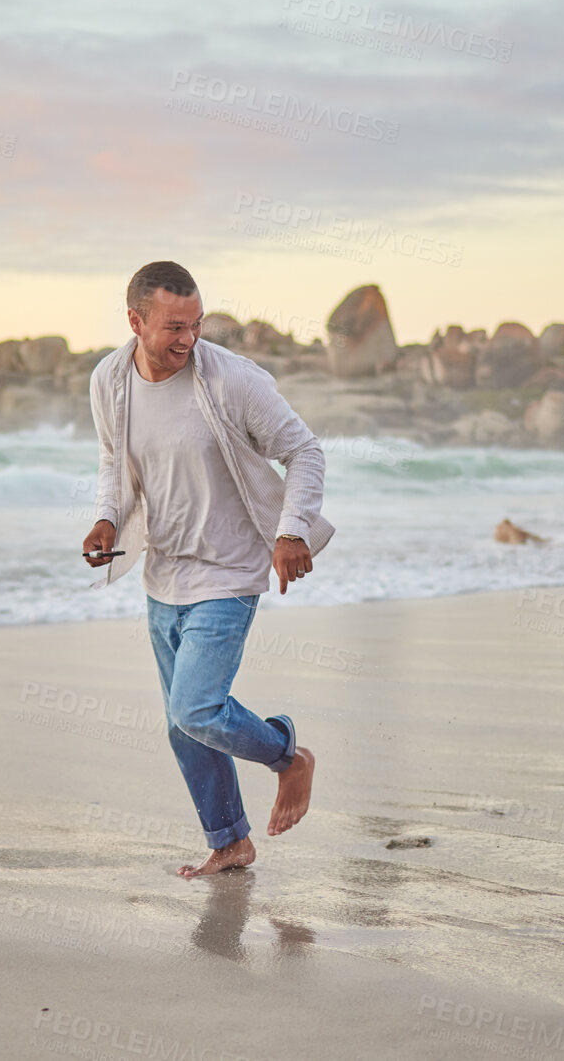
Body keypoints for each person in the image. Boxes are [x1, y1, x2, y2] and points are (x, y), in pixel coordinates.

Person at [83, 261, 327, 878]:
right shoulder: (110, 380)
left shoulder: (232, 380)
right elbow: (115, 460)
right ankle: (230, 841)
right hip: (162, 575)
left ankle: (287, 755)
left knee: (196, 708)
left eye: (195, 325)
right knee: (185, 730)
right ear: (136, 321)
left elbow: (304, 450)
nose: (188, 340)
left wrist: (291, 529)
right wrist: (108, 520)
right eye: (173, 327)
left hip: (229, 570)